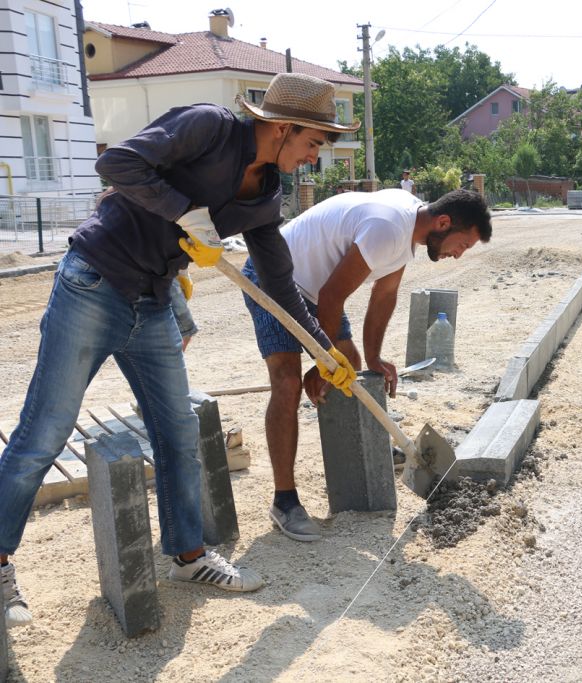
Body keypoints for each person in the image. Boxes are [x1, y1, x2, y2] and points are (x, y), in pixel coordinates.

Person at [0, 72, 361, 627]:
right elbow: (116, 164)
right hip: (93, 284)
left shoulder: (265, 195)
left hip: (154, 302)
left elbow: (281, 283)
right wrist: (182, 210)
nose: (314, 157)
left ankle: (188, 557)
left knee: (178, 433)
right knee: (43, 433)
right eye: (313, 143)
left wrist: (323, 347)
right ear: (285, 128)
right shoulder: (207, 127)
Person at [242, 188, 491, 541]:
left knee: (354, 366)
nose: (458, 255)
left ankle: (359, 460)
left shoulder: (410, 231)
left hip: (313, 289)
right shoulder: (388, 227)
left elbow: (384, 294)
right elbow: (332, 297)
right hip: (271, 275)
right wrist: (324, 360)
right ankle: (284, 501)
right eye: (462, 245)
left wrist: (373, 357)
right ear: (444, 222)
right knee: (287, 382)